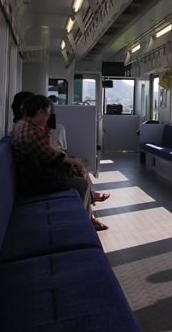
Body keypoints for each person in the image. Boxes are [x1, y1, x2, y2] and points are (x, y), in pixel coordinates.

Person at [11, 94, 108, 231]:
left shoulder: (24, 127)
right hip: (36, 182)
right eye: (48, 113)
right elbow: (54, 157)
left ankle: (89, 216)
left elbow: (47, 153)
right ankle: (85, 224)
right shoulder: (30, 132)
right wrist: (75, 163)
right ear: (40, 112)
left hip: (36, 174)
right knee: (82, 183)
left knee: (78, 171)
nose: (48, 117)